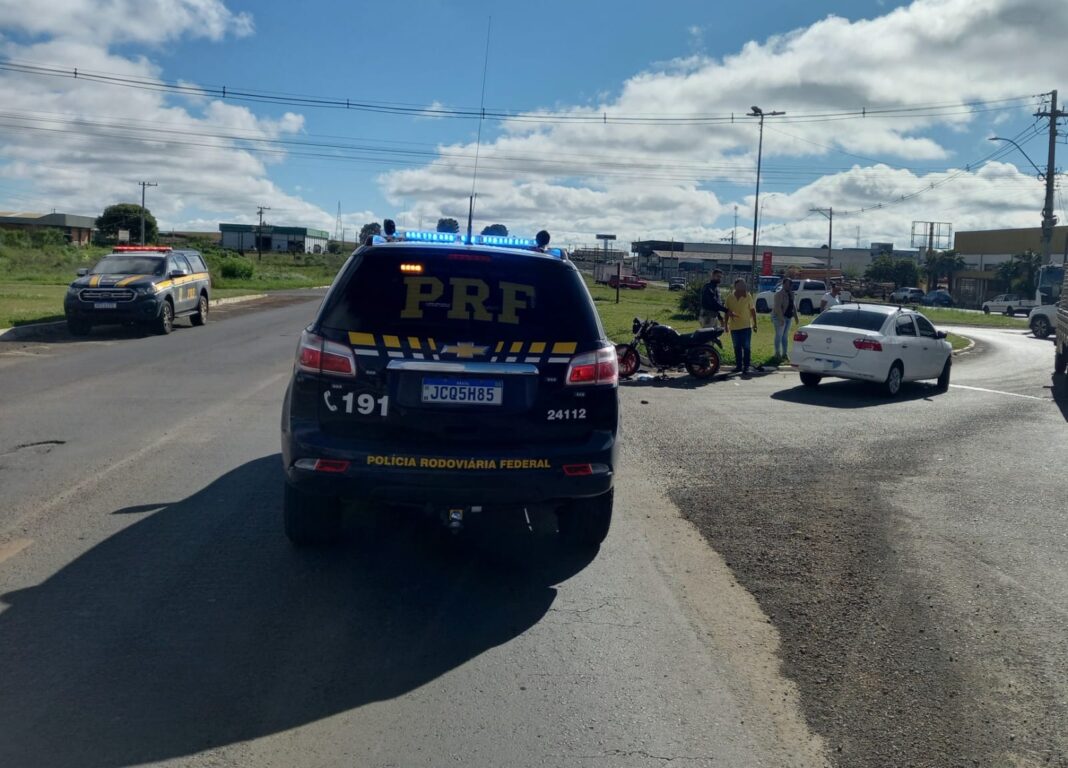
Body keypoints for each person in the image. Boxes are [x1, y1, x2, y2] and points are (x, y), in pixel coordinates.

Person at [724, 278, 758, 375]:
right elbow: (727, 312)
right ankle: (738, 366)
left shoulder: (748, 296)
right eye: (741, 285)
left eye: (744, 284)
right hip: (734, 327)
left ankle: (746, 367)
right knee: (737, 347)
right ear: (735, 286)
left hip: (746, 327)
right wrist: (726, 325)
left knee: (746, 347)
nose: (743, 286)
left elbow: (752, 310)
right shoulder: (730, 297)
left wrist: (755, 323)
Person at [772, 276, 796, 362]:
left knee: (785, 336)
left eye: (789, 284)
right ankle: (777, 353)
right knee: (779, 335)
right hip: (779, 317)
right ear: (783, 284)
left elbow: (793, 305)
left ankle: (784, 353)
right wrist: (781, 319)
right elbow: (777, 307)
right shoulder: (778, 294)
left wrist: (796, 317)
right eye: (786, 284)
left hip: (788, 317)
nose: (788, 286)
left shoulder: (791, 293)